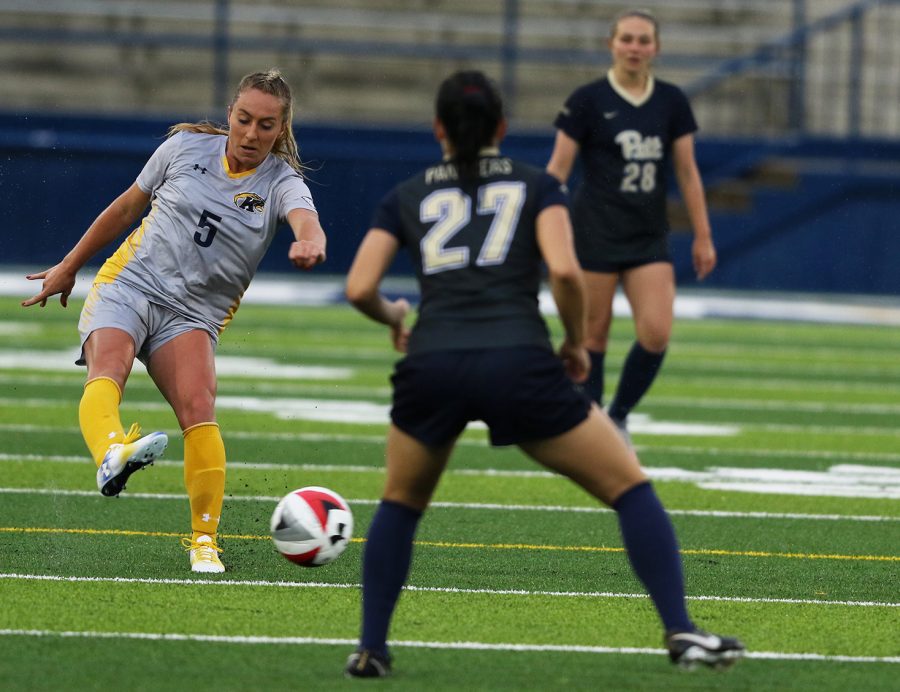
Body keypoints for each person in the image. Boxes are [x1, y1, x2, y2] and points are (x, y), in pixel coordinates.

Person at [342, 69, 743, 679]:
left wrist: (394, 314)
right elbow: (564, 274)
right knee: (629, 486)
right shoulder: (538, 186)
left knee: (400, 503)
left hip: (434, 363)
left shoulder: (407, 193)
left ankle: (371, 648)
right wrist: (577, 344)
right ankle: (681, 630)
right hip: (518, 361)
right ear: (503, 127)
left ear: (438, 129)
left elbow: (359, 287)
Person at [21, 69, 326, 574]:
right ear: (230, 113)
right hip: (131, 283)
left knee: (199, 409)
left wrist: (310, 240)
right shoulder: (184, 148)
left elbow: (305, 219)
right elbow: (125, 209)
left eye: (266, 125)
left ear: (281, 128)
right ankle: (113, 452)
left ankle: (204, 541)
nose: (251, 134)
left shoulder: (282, 183)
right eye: (244, 119)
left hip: (193, 314)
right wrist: (70, 265)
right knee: (107, 370)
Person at [546, 8, 716, 441]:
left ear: (656, 48)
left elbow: (687, 172)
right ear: (612, 44)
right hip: (595, 231)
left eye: (643, 40)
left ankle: (619, 415)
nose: (634, 48)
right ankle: (592, 424)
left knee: (656, 332)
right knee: (593, 335)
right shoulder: (587, 99)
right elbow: (557, 172)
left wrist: (703, 234)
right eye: (627, 39)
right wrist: (544, 226)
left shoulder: (671, 100)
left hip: (647, 233)